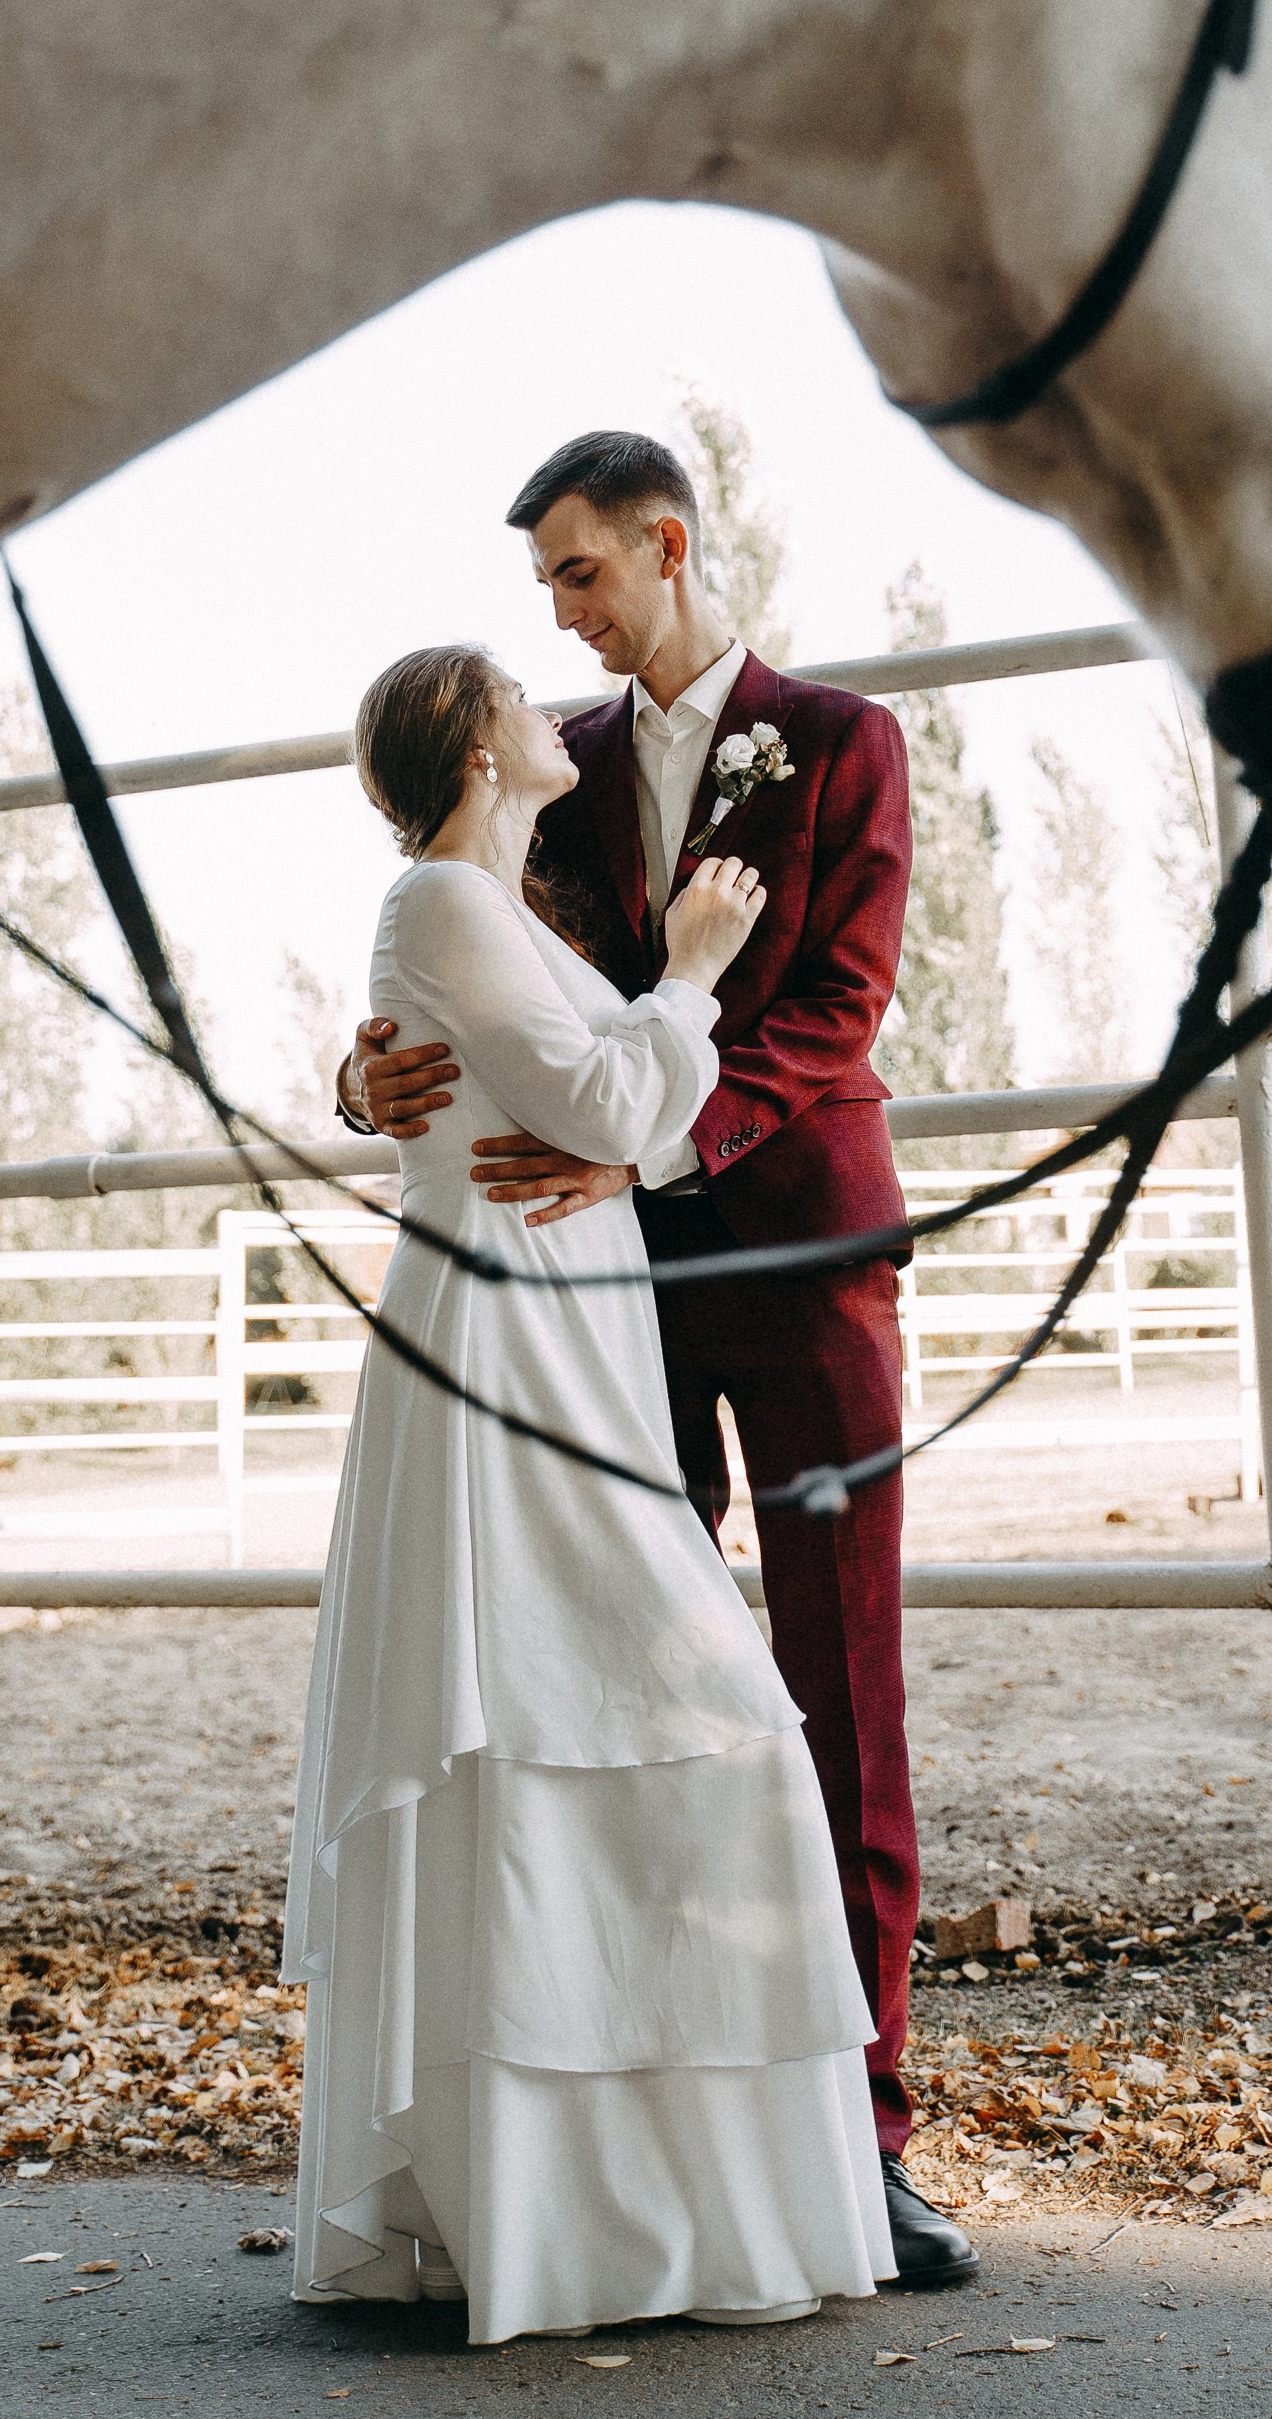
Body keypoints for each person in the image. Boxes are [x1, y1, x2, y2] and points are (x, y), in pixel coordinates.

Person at [340, 432, 975, 2292]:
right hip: (590, 1298)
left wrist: (650, 1146)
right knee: (615, 1691)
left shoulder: (842, 744)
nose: (555, 616)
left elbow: (837, 1015)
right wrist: (365, 1075)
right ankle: (656, 2137)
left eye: (576, 575)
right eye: (545, 585)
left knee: (835, 1689)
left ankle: (860, 2143)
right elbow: (463, 982)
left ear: (664, 543)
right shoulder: (559, 767)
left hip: (790, 1258)